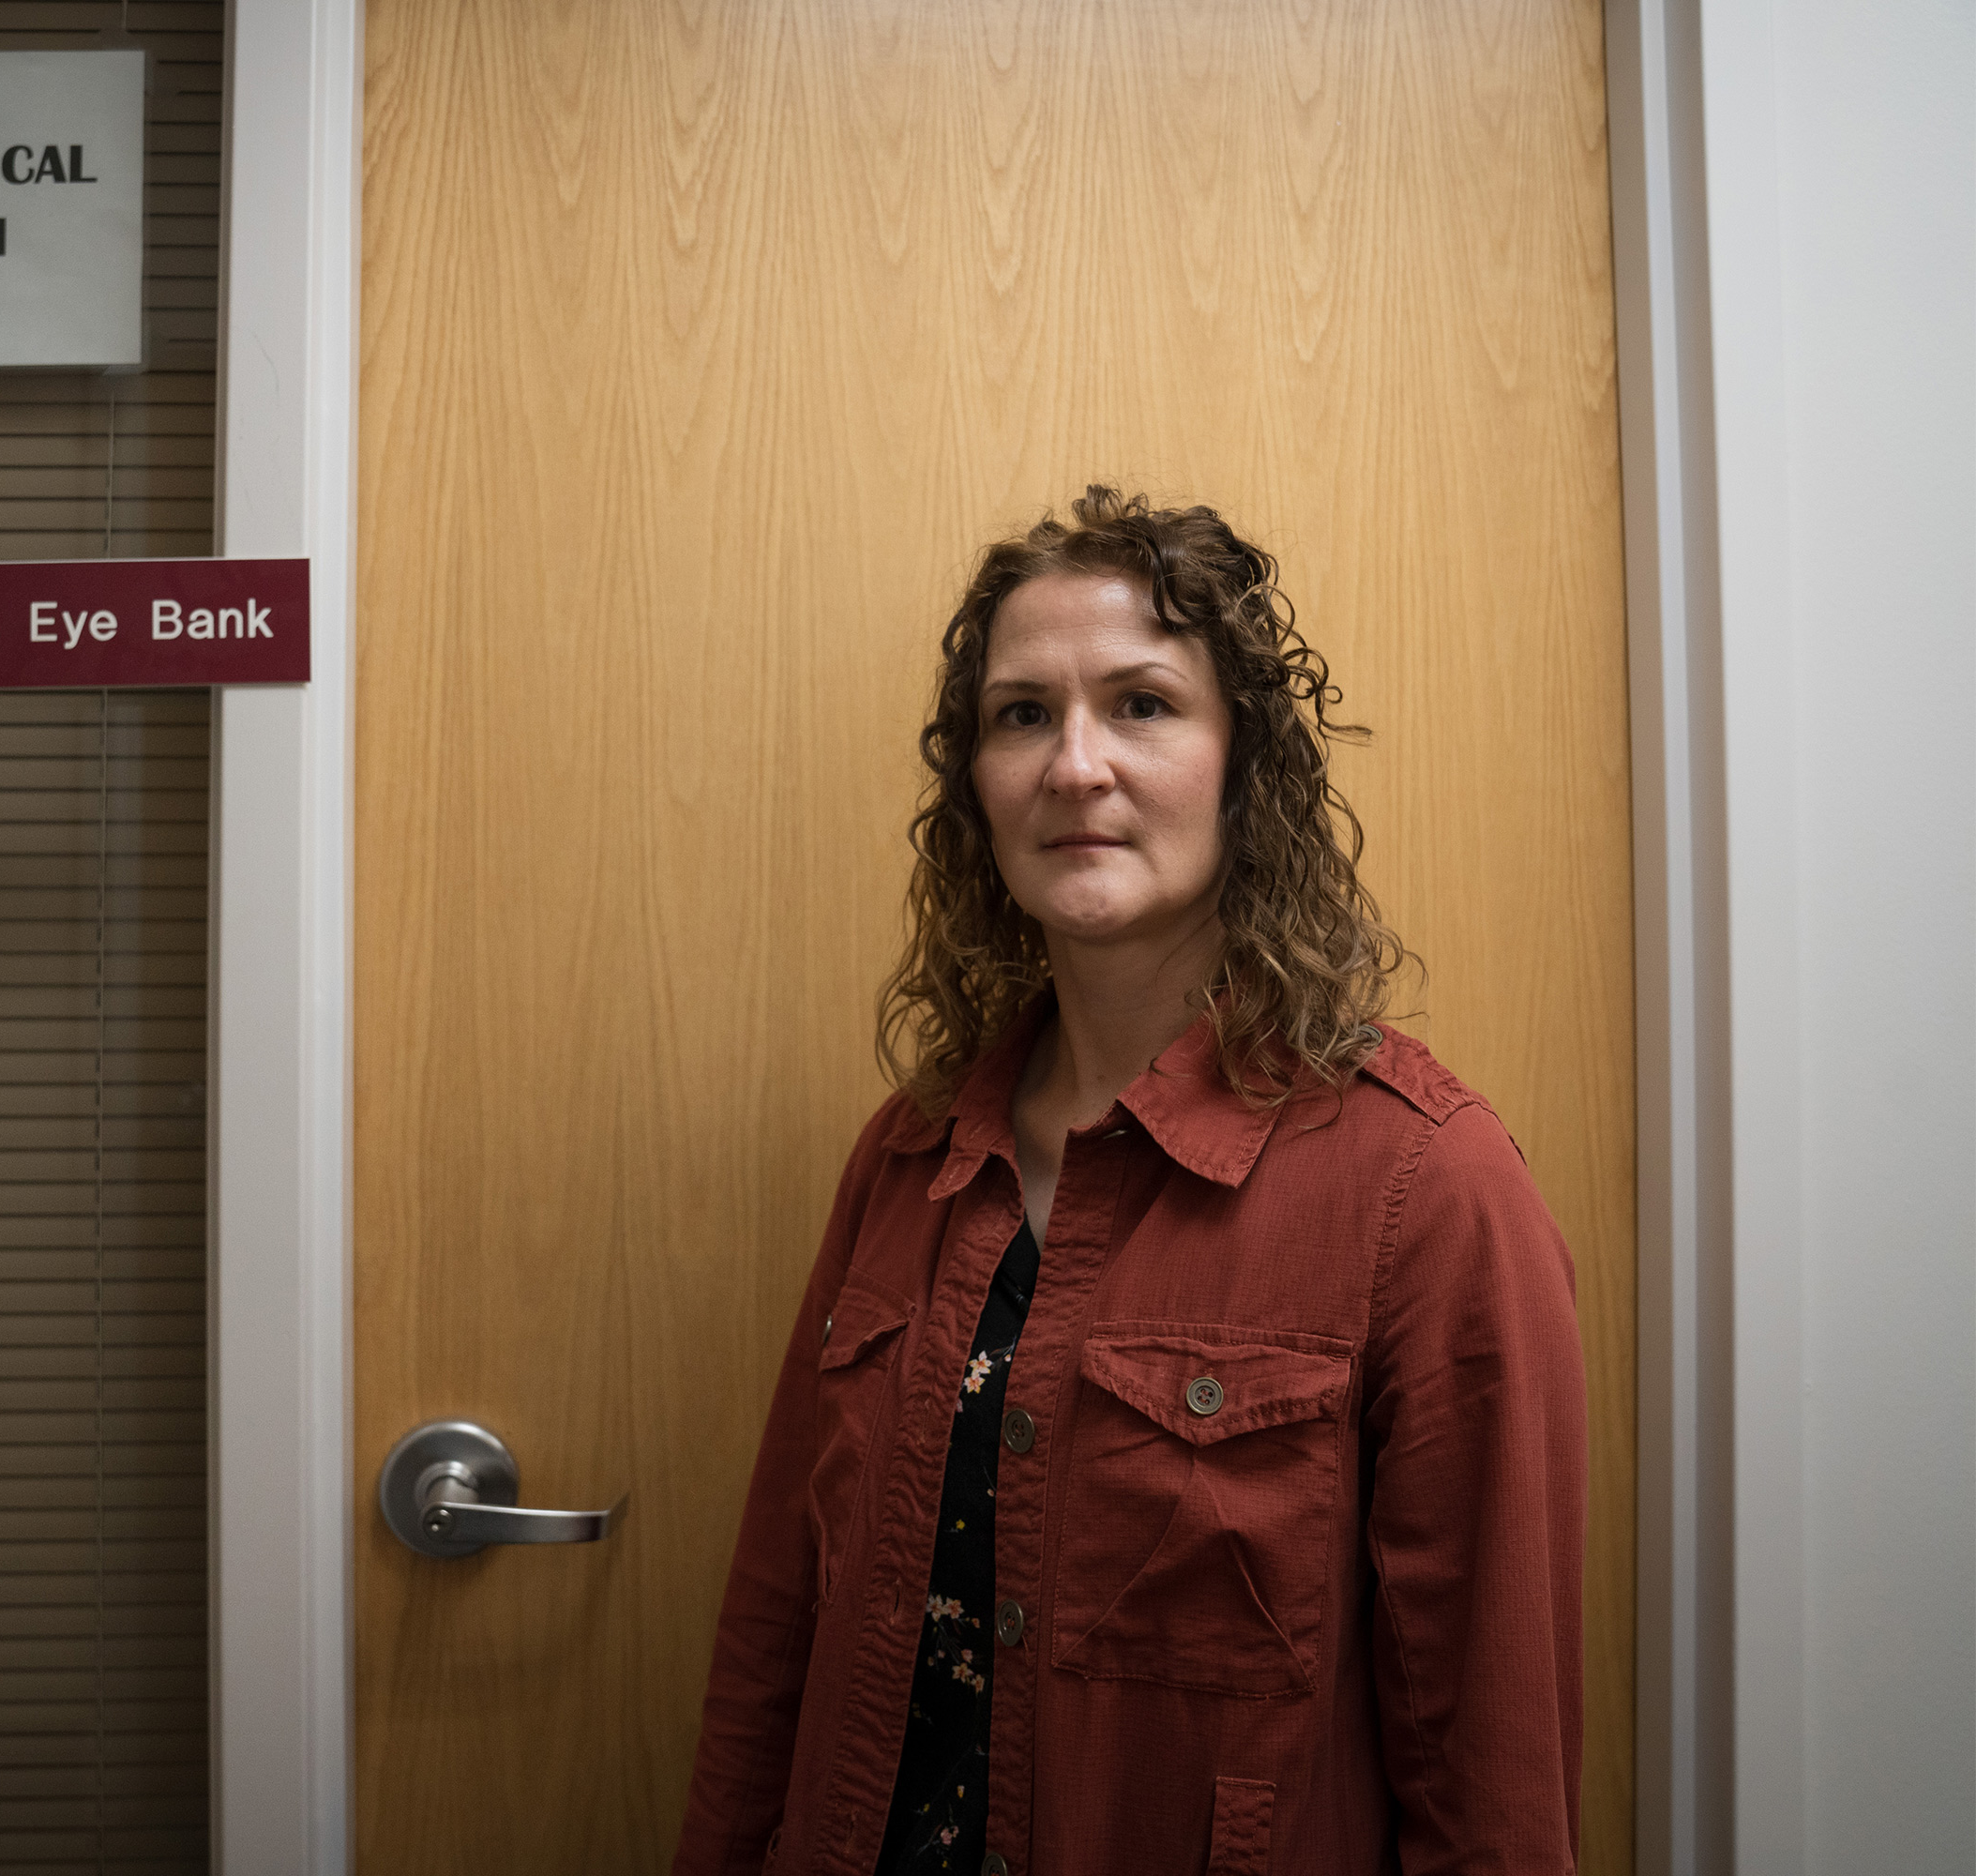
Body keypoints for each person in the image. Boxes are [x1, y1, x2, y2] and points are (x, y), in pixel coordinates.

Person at [672, 490, 1586, 1876]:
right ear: (974, 785)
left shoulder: (1426, 1187)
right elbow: (774, 1634)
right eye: (1021, 714)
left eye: (1143, 705)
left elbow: (1494, 1781)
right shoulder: (910, 1155)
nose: (1074, 765)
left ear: (1242, 768)